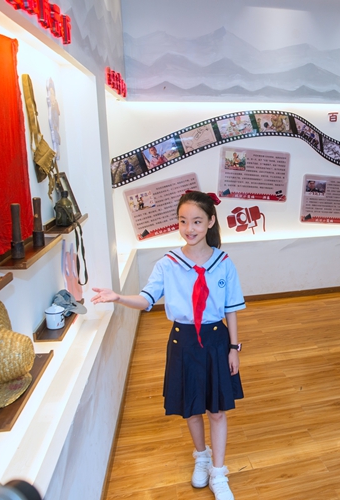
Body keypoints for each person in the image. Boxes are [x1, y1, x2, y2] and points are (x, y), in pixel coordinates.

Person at [92, 191, 244, 500]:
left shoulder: (224, 263)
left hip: (216, 341)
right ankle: (201, 457)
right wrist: (119, 297)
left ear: (210, 222)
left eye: (197, 221)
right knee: (191, 409)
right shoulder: (168, 264)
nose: (189, 228)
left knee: (216, 411)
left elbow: (231, 309)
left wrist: (234, 348)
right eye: (183, 221)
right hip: (183, 342)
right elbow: (146, 299)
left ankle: (218, 472)